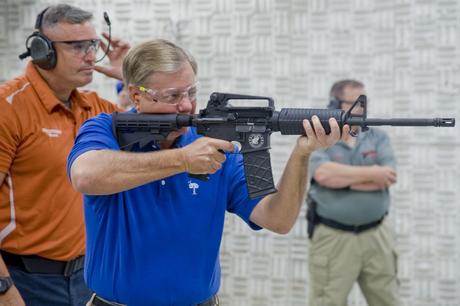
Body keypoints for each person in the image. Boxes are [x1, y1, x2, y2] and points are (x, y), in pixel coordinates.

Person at [67, 39, 349, 306]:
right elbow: (86, 176)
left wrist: (302, 153)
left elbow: (278, 219)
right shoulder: (104, 129)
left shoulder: (216, 147)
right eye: (172, 96)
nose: (187, 105)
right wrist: (182, 160)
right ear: (136, 97)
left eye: (191, 92)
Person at [0, 4, 129, 306]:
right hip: (24, 282)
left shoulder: (92, 107)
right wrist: (4, 291)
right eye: (77, 46)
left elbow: (153, 133)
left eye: (94, 44)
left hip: (88, 277)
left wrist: (130, 75)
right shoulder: (8, 107)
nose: (90, 55)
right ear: (41, 49)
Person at [306, 80, 400, 306]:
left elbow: (388, 177)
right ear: (335, 104)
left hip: (376, 236)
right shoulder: (320, 139)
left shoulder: (377, 137)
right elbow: (324, 175)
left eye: (364, 102)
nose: (362, 109)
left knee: (388, 300)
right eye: (357, 103)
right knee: (327, 301)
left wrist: (344, 180)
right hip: (334, 239)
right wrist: (372, 174)